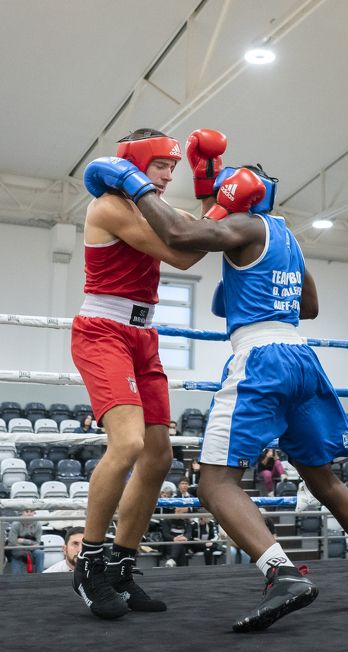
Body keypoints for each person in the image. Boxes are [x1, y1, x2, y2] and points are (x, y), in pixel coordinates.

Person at [128, 161, 348, 632]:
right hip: (303, 359)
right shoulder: (286, 236)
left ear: (239, 192)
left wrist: (135, 186)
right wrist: (248, 285)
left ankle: (282, 576)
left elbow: (180, 234)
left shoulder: (242, 226)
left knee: (215, 483)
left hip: (260, 359)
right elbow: (311, 307)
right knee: (325, 482)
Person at [72, 127, 223, 619]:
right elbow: (183, 252)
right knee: (129, 444)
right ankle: (89, 562)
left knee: (159, 457)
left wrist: (211, 187)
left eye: (174, 168)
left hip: (144, 336)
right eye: (162, 165)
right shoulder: (112, 206)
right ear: (134, 162)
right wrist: (218, 211)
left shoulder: (152, 207)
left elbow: (200, 233)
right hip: (103, 330)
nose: (168, 175)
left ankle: (121, 565)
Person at [6, 509, 46, 573]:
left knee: (40, 553)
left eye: (31, 512)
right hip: (18, 548)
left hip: (30, 548)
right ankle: (16, 579)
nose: (29, 514)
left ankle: (39, 577)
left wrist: (23, 541)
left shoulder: (38, 525)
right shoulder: (15, 524)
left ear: (34, 513)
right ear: (22, 512)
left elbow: (38, 543)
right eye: (27, 511)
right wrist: (30, 545)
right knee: (17, 554)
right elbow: (12, 542)